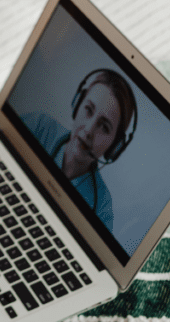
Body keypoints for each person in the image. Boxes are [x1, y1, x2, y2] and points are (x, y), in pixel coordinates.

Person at [21, 69, 137, 232]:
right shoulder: (40, 126)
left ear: (114, 147)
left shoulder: (102, 207)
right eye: (89, 110)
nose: (89, 130)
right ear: (77, 104)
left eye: (104, 127)